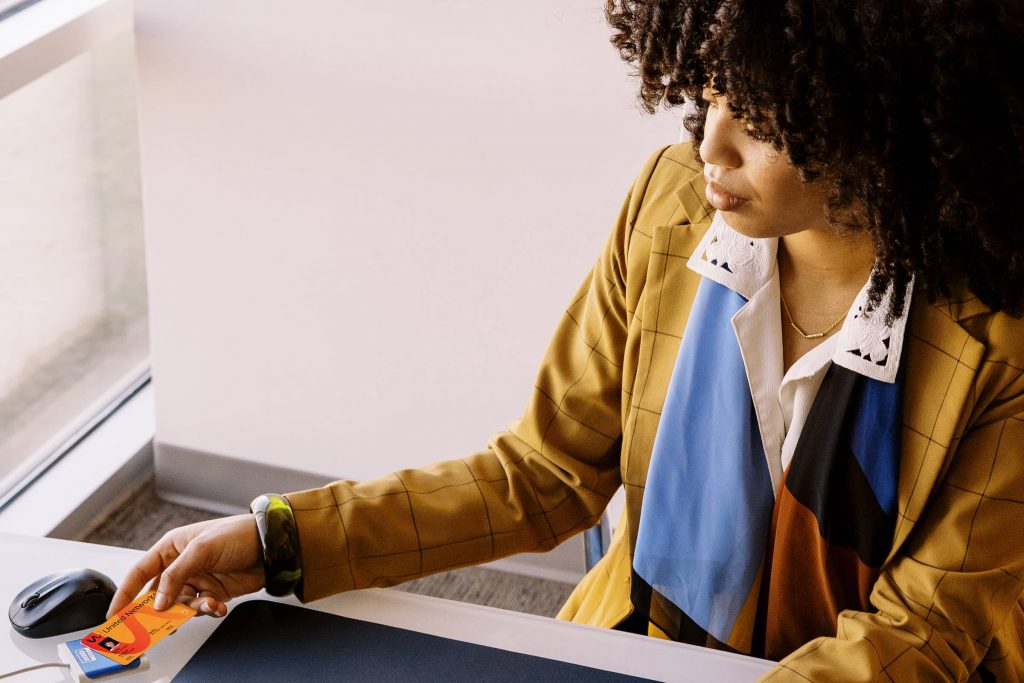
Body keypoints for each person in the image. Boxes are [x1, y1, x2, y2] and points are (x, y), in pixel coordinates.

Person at [108, 0, 1024, 679]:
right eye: (710, 88)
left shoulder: (1001, 330)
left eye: (771, 116)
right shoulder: (671, 203)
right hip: (637, 645)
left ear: (890, 119)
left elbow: (924, 633)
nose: (712, 143)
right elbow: (542, 473)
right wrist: (275, 538)